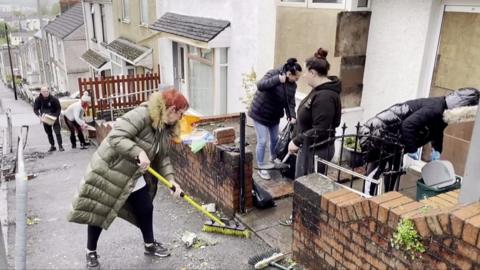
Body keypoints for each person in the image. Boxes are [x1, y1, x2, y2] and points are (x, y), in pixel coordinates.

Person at [67, 88, 189, 269]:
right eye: (180, 113)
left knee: (146, 208)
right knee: (99, 211)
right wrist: (138, 151)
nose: (181, 118)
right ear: (171, 109)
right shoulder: (141, 115)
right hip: (111, 170)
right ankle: (90, 251)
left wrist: (171, 179)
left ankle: (149, 245)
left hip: (133, 174)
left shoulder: (166, 127)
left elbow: (162, 156)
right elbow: (116, 137)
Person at [359, 87, 480, 195]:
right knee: (376, 168)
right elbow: (408, 125)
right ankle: (366, 199)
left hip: (394, 138)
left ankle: (387, 198)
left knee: (394, 169)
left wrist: (437, 150)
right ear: (461, 108)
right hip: (378, 132)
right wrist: (412, 148)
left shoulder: (443, 111)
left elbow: (437, 131)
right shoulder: (435, 109)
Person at [281, 48, 342, 226]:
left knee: (309, 187)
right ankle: (301, 218)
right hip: (309, 147)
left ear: (313, 73)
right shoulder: (319, 90)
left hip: (316, 150)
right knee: (303, 184)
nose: (304, 76)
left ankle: (306, 222)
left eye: (306, 72)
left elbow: (321, 129)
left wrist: (296, 141)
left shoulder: (325, 96)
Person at [248, 58, 302, 180]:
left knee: (275, 140)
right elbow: (260, 85)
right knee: (262, 141)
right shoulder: (273, 73)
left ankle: (272, 161)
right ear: (289, 74)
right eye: (296, 77)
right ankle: (262, 167)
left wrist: (291, 115)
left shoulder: (292, 85)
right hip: (260, 113)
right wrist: (277, 80)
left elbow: (291, 102)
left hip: (274, 115)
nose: (297, 79)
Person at [33, 86, 64, 152]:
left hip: (54, 116)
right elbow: (35, 109)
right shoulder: (38, 99)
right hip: (45, 118)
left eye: (47, 91)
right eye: (44, 91)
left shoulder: (54, 99)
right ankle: (52, 146)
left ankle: (60, 146)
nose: (46, 93)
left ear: (48, 91)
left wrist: (56, 116)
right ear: (41, 92)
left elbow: (59, 108)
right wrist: (39, 116)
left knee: (57, 132)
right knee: (49, 133)